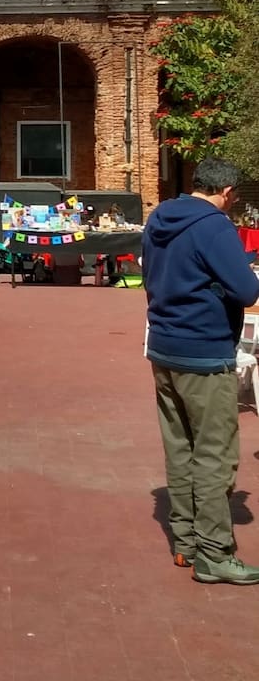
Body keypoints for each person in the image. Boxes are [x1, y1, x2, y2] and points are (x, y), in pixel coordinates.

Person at [142, 155, 259, 584]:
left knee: (180, 447)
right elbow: (247, 290)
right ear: (226, 193)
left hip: (164, 346)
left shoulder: (159, 218)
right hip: (204, 352)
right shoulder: (214, 226)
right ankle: (214, 553)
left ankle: (186, 541)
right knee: (215, 455)